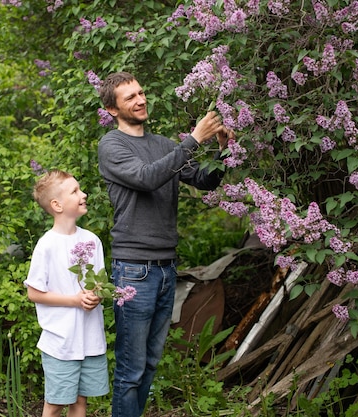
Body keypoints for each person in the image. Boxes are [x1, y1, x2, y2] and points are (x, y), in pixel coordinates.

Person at [97, 71, 234, 417]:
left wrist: (221, 149)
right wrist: (193, 140)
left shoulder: (162, 144)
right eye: (130, 97)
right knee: (131, 370)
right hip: (134, 270)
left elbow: (204, 181)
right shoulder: (112, 146)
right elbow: (147, 178)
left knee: (151, 363)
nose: (140, 100)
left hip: (166, 268)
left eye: (141, 92)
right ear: (112, 108)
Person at [23, 169, 109, 417]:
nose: (83, 194)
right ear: (57, 205)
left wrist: (96, 295)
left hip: (89, 339)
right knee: (55, 404)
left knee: (80, 401)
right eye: (75, 191)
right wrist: (74, 300)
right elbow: (34, 293)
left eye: (80, 189)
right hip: (61, 342)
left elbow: (99, 284)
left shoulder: (92, 240)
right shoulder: (47, 245)